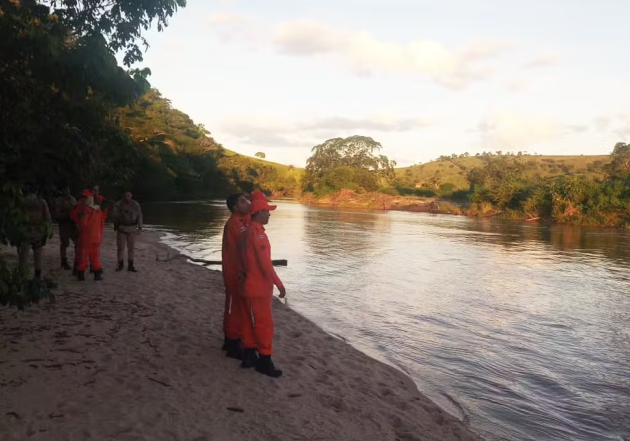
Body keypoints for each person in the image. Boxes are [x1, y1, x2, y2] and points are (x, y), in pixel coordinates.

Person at [239, 191, 286, 378]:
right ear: (258, 213)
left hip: (250, 286)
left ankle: (250, 355)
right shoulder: (257, 234)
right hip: (257, 287)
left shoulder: (247, 231)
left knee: (250, 322)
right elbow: (265, 264)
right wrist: (279, 284)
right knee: (264, 325)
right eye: (267, 211)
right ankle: (265, 360)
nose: (269, 214)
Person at [221, 193, 251, 359]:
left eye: (246, 199)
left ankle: (231, 339)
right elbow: (242, 251)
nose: (247, 203)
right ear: (235, 207)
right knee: (233, 308)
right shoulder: (234, 224)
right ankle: (232, 343)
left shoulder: (241, 222)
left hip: (239, 273)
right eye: (243, 201)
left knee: (236, 307)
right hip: (235, 273)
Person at [17, 184, 53, 279]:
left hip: (25, 230)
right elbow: (47, 218)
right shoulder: (41, 202)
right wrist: (47, 232)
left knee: (23, 254)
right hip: (38, 231)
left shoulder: (23, 201)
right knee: (38, 254)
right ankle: (37, 274)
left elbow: (17, 217)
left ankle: (21, 274)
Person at [75, 196, 108, 281]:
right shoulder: (98, 211)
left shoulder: (87, 210)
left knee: (84, 256)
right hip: (96, 237)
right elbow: (102, 223)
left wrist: (79, 226)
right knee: (95, 256)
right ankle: (97, 275)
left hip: (87, 237)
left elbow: (83, 224)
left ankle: (81, 274)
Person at [112, 191, 143, 272]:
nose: (127, 198)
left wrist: (140, 227)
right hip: (121, 228)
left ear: (131, 196)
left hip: (132, 229)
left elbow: (140, 216)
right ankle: (120, 265)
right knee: (120, 248)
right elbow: (113, 215)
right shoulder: (118, 204)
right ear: (123, 196)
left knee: (131, 248)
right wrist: (122, 213)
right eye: (125, 196)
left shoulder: (136, 204)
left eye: (128, 196)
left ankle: (131, 266)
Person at [52, 186, 77, 270]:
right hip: (64, 223)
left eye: (68, 190)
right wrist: (67, 215)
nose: (67, 191)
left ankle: (77, 261)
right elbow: (57, 214)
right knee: (65, 242)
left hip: (73, 223)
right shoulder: (59, 200)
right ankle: (64, 261)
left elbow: (76, 209)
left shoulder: (72, 199)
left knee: (78, 242)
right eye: (65, 190)